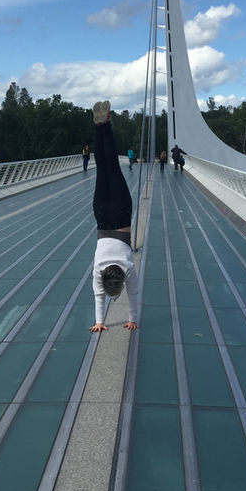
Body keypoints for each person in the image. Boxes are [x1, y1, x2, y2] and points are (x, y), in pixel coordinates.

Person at [90, 101, 139, 332]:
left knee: (112, 167)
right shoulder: (99, 269)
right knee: (101, 166)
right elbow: (99, 296)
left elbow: (134, 295)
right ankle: (98, 127)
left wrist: (132, 319)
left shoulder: (127, 268)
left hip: (121, 214)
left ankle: (106, 124)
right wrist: (99, 322)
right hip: (101, 216)